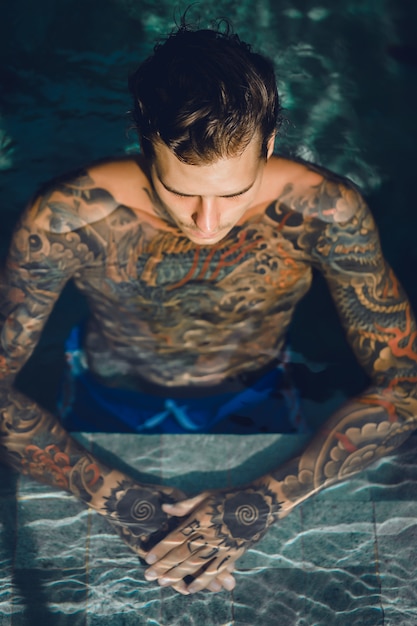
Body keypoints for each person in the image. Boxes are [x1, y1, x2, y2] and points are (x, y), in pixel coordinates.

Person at [1, 21, 417, 596]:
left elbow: (405, 384)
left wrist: (256, 505)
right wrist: (126, 504)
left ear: (268, 147)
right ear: (145, 147)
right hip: (109, 392)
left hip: (260, 392)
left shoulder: (324, 212)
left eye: (231, 192)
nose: (208, 223)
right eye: (182, 191)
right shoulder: (70, 217)